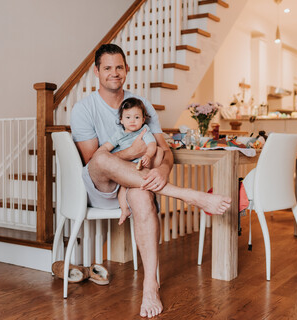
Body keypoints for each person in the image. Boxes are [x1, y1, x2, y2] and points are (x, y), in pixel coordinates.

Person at [70, 43, 231, 318]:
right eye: (107, 68)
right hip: (103, 187)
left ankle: (149, 285)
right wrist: (131, 152)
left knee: (144, 196)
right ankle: (187, 195)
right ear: (97, 72)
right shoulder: (83, 109)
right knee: (100, 159)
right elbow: (94, 162)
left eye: (119, 67)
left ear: (127, 69)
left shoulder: (141, 106)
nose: (114, 73)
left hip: (136, 181)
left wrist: (163, 172)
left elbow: (164, 149)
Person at [97, 97, 164, 226]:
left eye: (137, 117)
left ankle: (151, 192)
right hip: (125, 168)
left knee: (158, 153)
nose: (132, 121)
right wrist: (100, 154)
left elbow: (152, 145)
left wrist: (148, 156)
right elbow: (106, 147)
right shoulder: (119, 134)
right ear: (121, 120)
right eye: (128, 117)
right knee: (122, 189)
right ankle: (124, 210)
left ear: (143, 119)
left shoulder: (144, 131)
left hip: (142, 166)